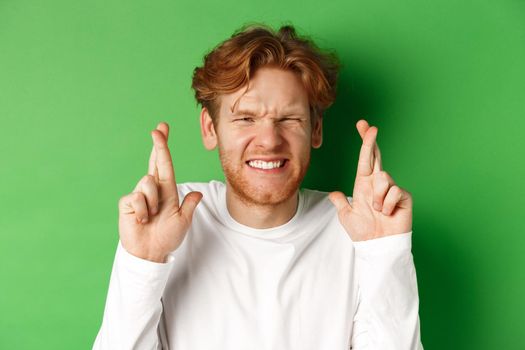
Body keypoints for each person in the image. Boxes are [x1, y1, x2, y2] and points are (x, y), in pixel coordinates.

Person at [93, 24, 423, 350]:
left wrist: (384, 255)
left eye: (289, 119)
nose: (268, 140)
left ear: (316, 130)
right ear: (211, 128)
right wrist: (144, 261)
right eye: (246, 118)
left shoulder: (358, 230)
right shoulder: (165, 222)